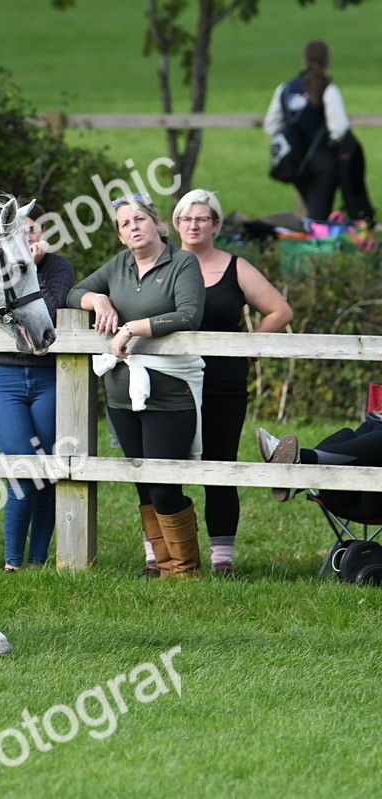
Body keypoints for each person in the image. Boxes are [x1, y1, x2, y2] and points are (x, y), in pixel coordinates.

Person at [67, 194, 206, 578]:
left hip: (170, 391)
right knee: (142, 483)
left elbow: (188, 316)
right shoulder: (119, 266)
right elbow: (72, 292)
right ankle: (161, 564)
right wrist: (98, 301)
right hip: (121, 394)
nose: (134, 227)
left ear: (157, 223)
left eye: (140, 219)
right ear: (120, 234)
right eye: (125, 223)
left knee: (163, 483)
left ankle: (184, 568)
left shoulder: (182, 263)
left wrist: (131, 328)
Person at [173, 189, 293, 577]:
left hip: (223, 383)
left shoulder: (234, 267)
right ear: (176, 224)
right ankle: (165, 558)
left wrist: (253, 344)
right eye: (187, 218)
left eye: (202, 218)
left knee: (219, 467)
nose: (194, 225)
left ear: (216, 225)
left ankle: (222, 562)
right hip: (169, 384)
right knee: (163, 467)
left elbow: (279, 309)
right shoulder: (164, 265)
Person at [0, 205, 75, 571]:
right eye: (21, 233)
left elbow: (48, 312)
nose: (29, 238)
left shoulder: (59, 266)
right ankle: (12, 561)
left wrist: (32, 269)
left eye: (33, 231)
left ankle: (36, 562)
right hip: (3, 377)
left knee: (48, 468)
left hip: (48, 377)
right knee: (23, 466)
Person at [264, 40, 376, 225]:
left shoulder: (285, 88)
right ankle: (316, 251)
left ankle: (313, 246)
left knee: (312, 214)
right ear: (327, 61)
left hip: (296, 163)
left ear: (303, 60)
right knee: (318, 219)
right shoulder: (328, 89)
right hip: (323, 163)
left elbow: (271, 124)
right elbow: (338, 128)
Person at [258, 422, 382, 518]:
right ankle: (299, 471)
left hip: (374, 502)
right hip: (340, 494)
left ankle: (300, 466)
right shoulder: (374, 421)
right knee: (345, 434)